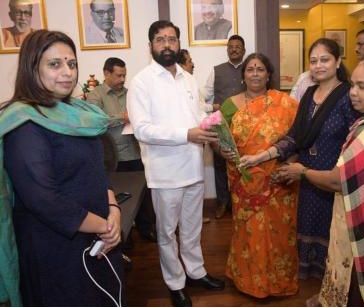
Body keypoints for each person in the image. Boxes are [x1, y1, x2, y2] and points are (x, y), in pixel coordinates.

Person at [280, 56, 364, 307]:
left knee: (359, 290)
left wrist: (302, 172)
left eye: (362, 87)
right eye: (353, 84)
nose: (353, 93)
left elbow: (337, 181)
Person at [0, 30, 123, 307]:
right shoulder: (23, 123)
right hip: (55, 249)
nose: (67, 72)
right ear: (32, 68)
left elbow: (97, 169)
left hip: (98, 239)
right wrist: (104, 226)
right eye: (54, 64)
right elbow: (44, 200)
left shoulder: (77, 114)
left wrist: (113, 207)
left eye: (72, 63)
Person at [239, 38, 359, 280]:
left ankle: (334, 286)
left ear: (337, 62)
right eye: (313, 61)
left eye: (324, 60)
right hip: (305, 173)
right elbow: (294, 137)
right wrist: (259, 157)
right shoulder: (309, 95)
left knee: (333, 234)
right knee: (309, 226)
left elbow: (356, 141)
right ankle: (317, 283)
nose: (318, 65)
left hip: (334, 179)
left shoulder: (348, 96)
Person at [127, 20, 224, 307]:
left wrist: (212, 130)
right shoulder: (141, 82)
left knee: (193, 228)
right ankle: (175, 282)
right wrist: (187, 134)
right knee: (167, 232)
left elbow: (195, 115)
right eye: (160, 39)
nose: (167, 44)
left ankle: (195, 272)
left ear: (179, 43)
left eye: (172, 39)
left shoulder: (188, 78)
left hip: (194, 165)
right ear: (151, 46)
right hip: (165, 172)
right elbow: (142, 129)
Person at [217, 53, 299, 297]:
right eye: (250, 69)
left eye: (260, 69)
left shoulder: (286, 103)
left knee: (280, 231)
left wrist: (291, 166)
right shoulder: (230, 105)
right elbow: (220, 140)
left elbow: (297, 139)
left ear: (268, 74)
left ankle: (279, 282)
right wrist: (222, 150)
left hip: (279, 179)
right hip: (244, 180)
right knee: (247, 230)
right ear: (243, 75)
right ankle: (249, 281)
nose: (255, 73)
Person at [86, 57, 157, 242]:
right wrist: (121, 118)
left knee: (142, 196)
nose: (122, 79)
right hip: (111, 157)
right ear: (106, 73)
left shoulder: (130, 93)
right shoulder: (95, 95)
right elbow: (96, 120)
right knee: (117, 198)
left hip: (134, 151)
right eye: (118, 75)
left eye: (124, 75)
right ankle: (123, 234)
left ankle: (146, 229)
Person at [202, 34, 246, 219]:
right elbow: (204, 96)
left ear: (243, 50)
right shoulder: (216, 70)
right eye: (231, 46)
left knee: (244, 164)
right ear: (227, 49)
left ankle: (242, 203)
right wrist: (210, 110)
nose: (234, 49)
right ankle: (222, 202)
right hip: (222, 127)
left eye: (237, 47)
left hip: (246, 127)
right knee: (220, 166)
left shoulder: (251, 68)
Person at [176, 49, 212, 224]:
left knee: (195, 186)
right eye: (190, 60)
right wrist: (213, 108)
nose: (193, 64)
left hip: (197, 140)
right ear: (182, 64)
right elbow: (198, 108)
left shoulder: (190, 82)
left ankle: (193, 218)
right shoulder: (173, 86)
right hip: (181, 145)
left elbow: (198, 110)